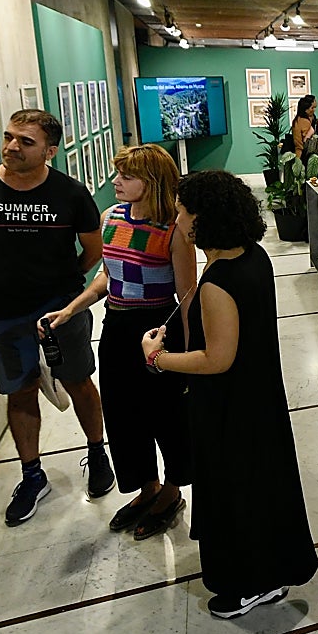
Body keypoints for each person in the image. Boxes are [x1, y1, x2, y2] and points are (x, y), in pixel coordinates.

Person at [141, 170, 317, 619]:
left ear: (202, 218)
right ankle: (272, 570)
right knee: (263, 485)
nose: (176, 219)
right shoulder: (254, 257)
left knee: (235, 491)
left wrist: (157, 358)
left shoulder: (219, 283)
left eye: (181, 211)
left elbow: (217, 358)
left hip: (230, 405)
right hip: (259, 396)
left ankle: (246, 585)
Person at [0, 109, 115, 526]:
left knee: (78, 382)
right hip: (2, 313)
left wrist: (62, 284)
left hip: (61, 309)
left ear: (50, 150)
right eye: (8, 137)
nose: (11, 147)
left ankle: (97, 453)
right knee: (19, 393)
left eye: (25, 141)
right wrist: (11, 284)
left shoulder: (71, 194)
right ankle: (32, 474)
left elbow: (92, 253)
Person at [41, 144, 196, 540]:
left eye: (126, 177)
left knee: (166, 414)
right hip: (116, 328)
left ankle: (173, 490)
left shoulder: (174, 231)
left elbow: (187, 294)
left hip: (157, 328)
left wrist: (192, 354)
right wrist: (71, 310)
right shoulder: (111, 218)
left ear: (153, 181)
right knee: (123, 415)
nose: (116, 182)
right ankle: (147, 488)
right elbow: (108, 278)